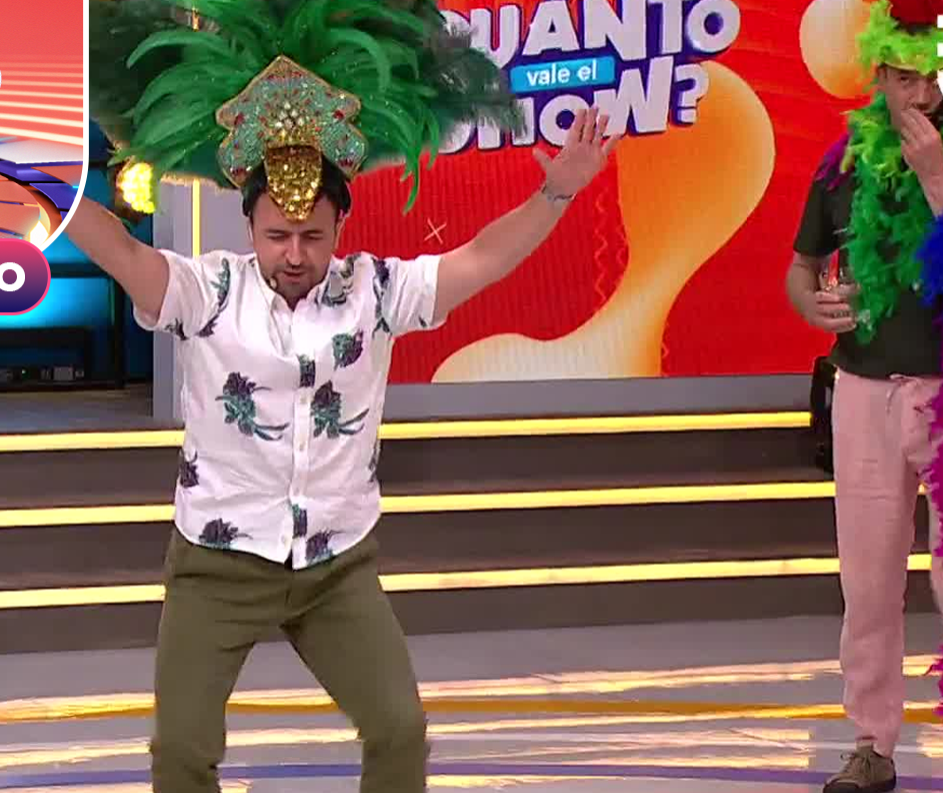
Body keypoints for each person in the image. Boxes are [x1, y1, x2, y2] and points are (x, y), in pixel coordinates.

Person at [80, 1, 617, 790]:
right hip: (217, 564)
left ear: (340, 228)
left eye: (313, 236)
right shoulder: (208, 290)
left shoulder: (376, 292)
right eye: (277, 235)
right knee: (183, 750)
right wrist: (39, 189)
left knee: (399, 730)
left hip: (337, 565)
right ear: (250, 226)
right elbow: (124, 252)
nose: (294, 254)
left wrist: (557, 194)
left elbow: (480, 259)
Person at [786, 1, 943, 790]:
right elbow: (800, 268)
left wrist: (936, 176)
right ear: (878, 76)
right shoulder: (841, 162)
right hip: (863, 391)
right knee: (869, 583)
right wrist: (811, 304)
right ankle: (872, 743)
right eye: (904, 79)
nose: (920, 95)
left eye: (931, 78)